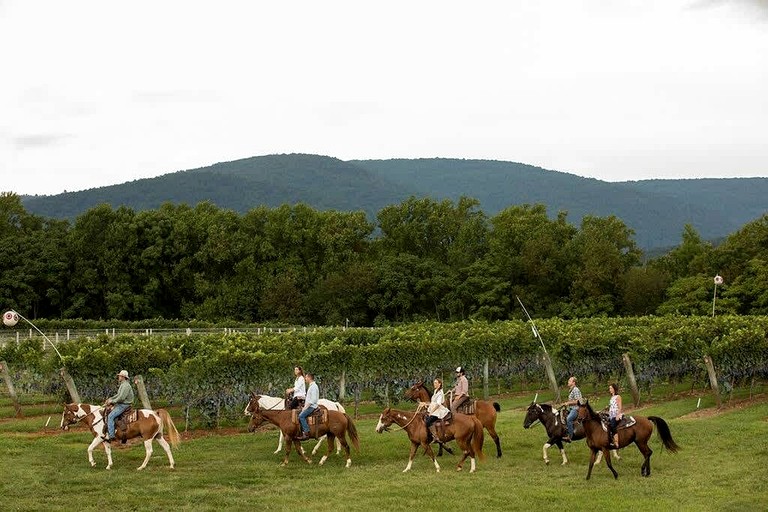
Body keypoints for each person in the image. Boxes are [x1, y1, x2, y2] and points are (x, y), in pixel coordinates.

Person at [104, 369, 134, 442]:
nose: (118, 377)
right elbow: (118, 395)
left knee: (110, 416)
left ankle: (111, 436)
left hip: (124, 405)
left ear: (123, 377)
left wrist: (112, 402)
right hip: (122, 403)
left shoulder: (126, 386)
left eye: (120, 376)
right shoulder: (123, 384)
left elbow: (121, 398)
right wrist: (110, 399)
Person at [296, 372, 318, 441]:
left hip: (312, 406)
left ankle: (306, 432)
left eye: (306, 377)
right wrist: (302, 398)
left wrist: (305, 407)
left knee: (301, 416)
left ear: (309, 377)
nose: (305, 379)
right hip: (309, 405)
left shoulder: (313, 386)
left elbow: (313, 400)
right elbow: (309, 398)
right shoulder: (311, 386)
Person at [562, 376, 582, 442]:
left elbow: (577, 401)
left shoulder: (575, 390)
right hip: (571, 409)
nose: (568, 382)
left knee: (569, 419)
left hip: (576, 409)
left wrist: (568, 403)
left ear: (573, 383)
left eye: (569, 381)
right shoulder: (571, 390)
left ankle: (570, 436)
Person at [608, 382, 623, 449]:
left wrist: (617, 415)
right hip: (611, 415)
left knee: (612, 425)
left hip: (616, 415)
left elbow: (620, 407)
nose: (610, 390)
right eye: (609, 388)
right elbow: (611, 407)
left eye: (611, 388)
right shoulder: (612, 397)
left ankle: (616, 442)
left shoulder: (618, 397)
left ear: (614, 389)